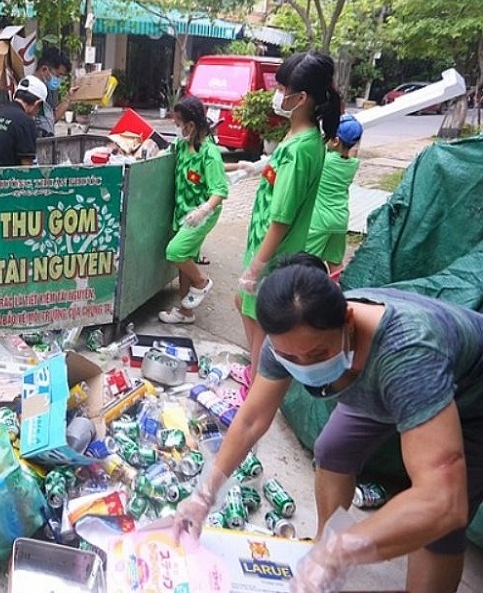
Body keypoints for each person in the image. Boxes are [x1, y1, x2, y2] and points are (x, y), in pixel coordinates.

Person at [175, 253, 483, 593]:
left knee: (438, 529)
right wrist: (205, 492)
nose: (303, 365)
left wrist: (345, 548)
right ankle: (325, 543)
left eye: (318, 355)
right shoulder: (290, 337)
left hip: (469, 399)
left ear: (348, 321)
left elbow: (443, 501)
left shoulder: (408, 353)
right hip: (374, 385)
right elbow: (251, 419)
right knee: (332, 450)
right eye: (290, 358)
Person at [237, 51, 342, 385]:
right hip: (263, 248)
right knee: (242, 304)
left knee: (260, 329)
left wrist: (257, 267)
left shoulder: (302, 148)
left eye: (281, 88)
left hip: (272, 254)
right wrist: (257, 166)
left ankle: (255, 388)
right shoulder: (296, 137)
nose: (276, 95)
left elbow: (282, 218)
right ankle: (255, 375)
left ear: (302, 98)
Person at [157, 96, 228, 327]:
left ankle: (201, 282)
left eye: (179, 123)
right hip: (183, 210)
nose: (177, 128)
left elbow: (219, 190)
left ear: (191, 125)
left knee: (175, 252)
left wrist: (204, 210)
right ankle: (186, 312)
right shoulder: (182, 145)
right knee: (186, 258)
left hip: (201, 214)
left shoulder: (210, 152)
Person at [305, 114, 363, 275]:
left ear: (336, 140)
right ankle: (339, 294)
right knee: (335, 264)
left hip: (319, 221)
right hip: (340, 220)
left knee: (305, 264)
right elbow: (352, 151)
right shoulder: (353, 164)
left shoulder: (325, 160)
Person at [33, 48, 75, 138]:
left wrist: (69, 98)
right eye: (58, 75)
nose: (59, 79)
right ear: (44, 69)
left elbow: (52, 118)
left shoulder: (50, 90)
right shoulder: (30, 89)